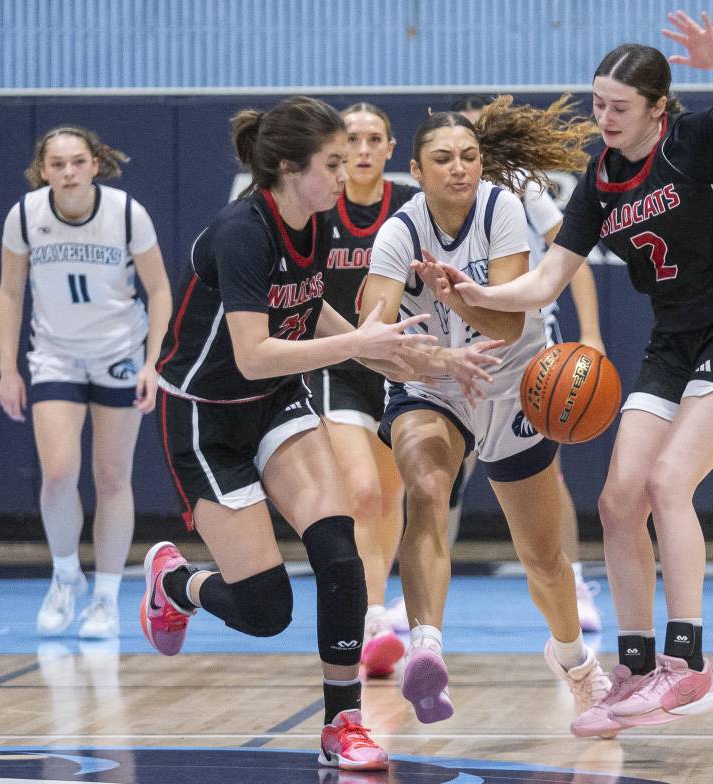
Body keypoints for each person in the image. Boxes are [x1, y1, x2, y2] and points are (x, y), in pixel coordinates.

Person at [431, 11, 713, 738]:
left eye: (619, 107)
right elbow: (543, 284)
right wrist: (471, 294)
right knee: (618, 499)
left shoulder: (694, 143)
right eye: (598, 104)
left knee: (668, 486)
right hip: (675, 340)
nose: (604, 118)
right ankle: (633, 668)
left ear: (658, 109)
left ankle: (687, 665)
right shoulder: (598, 183)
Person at [143, 96, 498, 770]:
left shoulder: (318, 224)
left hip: (274, 402)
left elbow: (313, 315)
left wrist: (419, 356)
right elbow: (253, 352)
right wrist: (356, 348)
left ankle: (343, 725)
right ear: (285, 167)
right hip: (205, 416)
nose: (345, 175)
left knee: (339, 554)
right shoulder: (241, 233)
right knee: (265, 609)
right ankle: (175, 582)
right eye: (331, 163)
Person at [360, 95, 612, 726]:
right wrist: (417, 354)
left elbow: (505, 319)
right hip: (436, 385)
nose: (459, 168)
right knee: (426, 489)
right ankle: (426, 650)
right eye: (442, 158)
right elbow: (374, 334)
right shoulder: (399, 231)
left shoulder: (503, 207)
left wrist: (457, 296)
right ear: (415, 171)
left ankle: (575, 661)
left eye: (469, 156)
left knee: (542, 560)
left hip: (515, 380)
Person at [0, 125, 172, 639]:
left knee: (112, 476)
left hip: (118, 352)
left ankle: (105, 596)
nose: (68, 172)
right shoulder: (25, 216)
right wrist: (9, 369)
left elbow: (159, 290)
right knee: (57, 472)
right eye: (57, 164)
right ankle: (65, 573)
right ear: (42, 170)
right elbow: (10, 295)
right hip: (55, 354)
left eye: (77, 162)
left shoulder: (124, 213)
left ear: (95, 164)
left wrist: (153, 362)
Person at [449, 94, 607, 634]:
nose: (461, 158)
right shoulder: (429, 204)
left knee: (545, 469)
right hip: (461, 343)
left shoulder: (521, 187)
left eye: (471, 141)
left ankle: (576, 578)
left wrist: (590, 333)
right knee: (448, 468)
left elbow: (572, 259)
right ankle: (427, 591)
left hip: (528, 341)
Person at [307, 102, 419, 678]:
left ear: (391, 147)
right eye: (353, 138)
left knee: (392, 494)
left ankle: (378, 597)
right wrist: (355, 341)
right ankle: (372, 615)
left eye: (375, 138)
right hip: (339, 360)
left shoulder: (408, 207)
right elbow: (303, 290)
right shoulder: (321, 206)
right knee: (362, 493)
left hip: (395, 361)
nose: (364, 149)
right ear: (339, 146)